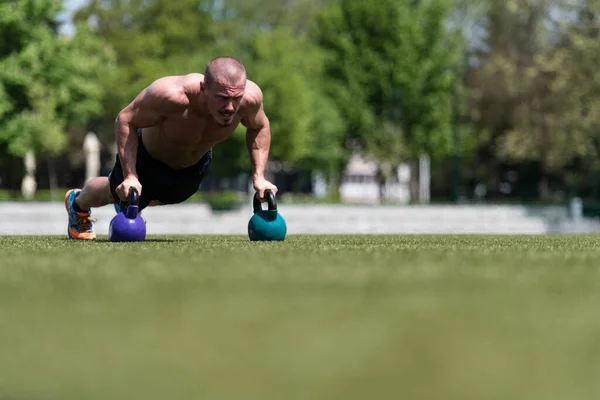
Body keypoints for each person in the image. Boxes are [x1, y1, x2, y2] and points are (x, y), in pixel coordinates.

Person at [64, 56, 278, 240]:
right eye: (222, 98)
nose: (230, 107)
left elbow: (259, 127)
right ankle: (78, 204)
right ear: (204, 88)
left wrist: (258, 177)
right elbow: (125, 119)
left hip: (192, 166)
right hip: (146, 158)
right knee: (113, 192)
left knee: (158, 198)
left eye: (236, 98)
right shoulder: (172, 95)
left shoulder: (250, 100)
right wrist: (130, 175)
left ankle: (136, 202)